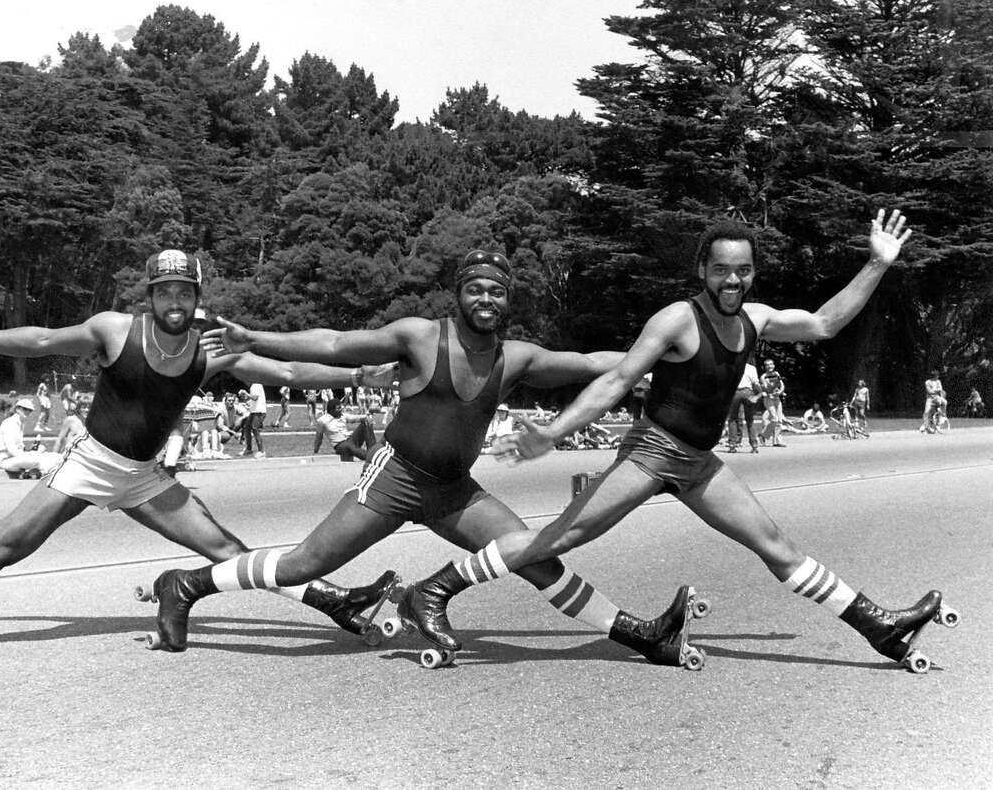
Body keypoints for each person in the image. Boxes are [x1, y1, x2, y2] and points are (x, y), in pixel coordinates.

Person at [401, 210, 948, 671]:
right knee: (559, 539)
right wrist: (553, 433)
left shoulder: (756, 320)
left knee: (778, 548)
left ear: (753, 272)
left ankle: (880, 629)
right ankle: (434, 589)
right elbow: (615, 381)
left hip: (700, 462)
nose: (731, 281)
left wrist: (877, 263)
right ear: (703, 271)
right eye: (720, 271)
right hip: (651, 451)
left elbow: (825, 323)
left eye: (742, 271)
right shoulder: (677, 320)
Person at [0, 249, 396, 646]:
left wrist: (357, 377)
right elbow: (42, 339)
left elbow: (291, 370)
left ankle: (331, 602)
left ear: (197, 295)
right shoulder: (115, 329)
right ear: (151, 294)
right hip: (91, 462)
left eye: (185, 290)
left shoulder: (212, 346)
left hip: (146, 476)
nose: (175, 298)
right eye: (164, 289)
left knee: (227, 550)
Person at [142, 249, 694, 662]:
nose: (486, 300)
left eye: (496, 292)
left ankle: (639, 635)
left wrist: (663, 353)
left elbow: (591, 361)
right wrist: (255, 338)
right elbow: (335, 343)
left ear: (508, 299)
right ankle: (186, 585)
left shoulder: (518, 357)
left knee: (534, 555)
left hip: (455, 490)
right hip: (394, 478)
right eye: (475, 289)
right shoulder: (419, 337)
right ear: (459, 293)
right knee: (304, 565)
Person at [0, 398, 63, 478]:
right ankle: (42, 472)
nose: (27, 412)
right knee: (36, 460)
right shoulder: (9, 423)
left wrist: (30, 451)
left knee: (57, 456)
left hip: (19, 458)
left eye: (29, 410)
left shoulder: (20, 424)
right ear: (17, 409)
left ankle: (33, 472)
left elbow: (20, 447)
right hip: (7, 460)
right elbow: (12, 450)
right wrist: (29, 454)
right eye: (25, 409)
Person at [726, 359, 761, 453]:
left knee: (732, 419)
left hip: (735, 392)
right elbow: (756, 383)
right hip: (748, 392)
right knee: (750, 419)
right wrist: (758, 395)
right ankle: (754, 445)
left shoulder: (731, 366)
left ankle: (732, 444)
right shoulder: (751, 368)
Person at [758, 358, 786, 447]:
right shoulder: (763, 377)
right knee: (774, 419)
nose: (769, 366)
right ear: (765, 367)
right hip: (768, 399)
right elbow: (767, 388)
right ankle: (763, 435)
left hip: (777, 399)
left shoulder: (777, 374)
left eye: (771, 364)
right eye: (767, 365)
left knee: (779, 420)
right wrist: (771, 388)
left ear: (773, 365)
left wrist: (780, 391)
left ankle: (776, 441)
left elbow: (782, 385)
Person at [243, 382, 266, 458]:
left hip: (259, 411)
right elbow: (253, 398)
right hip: (254, 411)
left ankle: (261, 451)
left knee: (255, 429)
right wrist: (246, 396)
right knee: (247, 427)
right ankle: (249, 449)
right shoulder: (254, 385)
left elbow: (255, 398)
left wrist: (246, 393)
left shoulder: (256, 385)